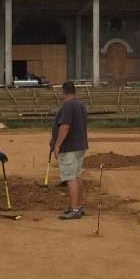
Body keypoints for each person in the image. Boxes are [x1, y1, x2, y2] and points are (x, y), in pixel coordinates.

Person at [50, 81, 88, 220]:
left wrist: (57, 144)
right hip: (80, 145)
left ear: (64, 92)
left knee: (70, 177)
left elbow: (65, 126)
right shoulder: (80, 105)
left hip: (70, 147)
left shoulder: (68, 105)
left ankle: (75, 209)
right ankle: (78, 205)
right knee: (77, 176)